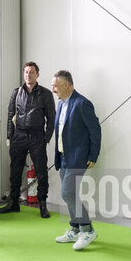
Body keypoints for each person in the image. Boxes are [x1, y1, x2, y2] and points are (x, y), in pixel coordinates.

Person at [0, 62, 56, 218]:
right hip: (19, 136)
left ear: (37, 74)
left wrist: (46, 138)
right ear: (24, 74)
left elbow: (51, 118)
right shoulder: (16, 93)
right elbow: (10, 116)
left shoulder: (45, 94)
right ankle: (13, 202)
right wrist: (9, 136)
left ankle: (42, 203)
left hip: (37, 136)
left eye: (32, 72)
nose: (28, 75)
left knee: (41, 171)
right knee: (15, 170)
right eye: (26, 72)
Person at [51, 70, 101, 250]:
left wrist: (93, 155)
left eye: (55, 85)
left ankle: (87, 230)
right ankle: (75, 228)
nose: (53, 89)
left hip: (78, 157)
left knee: (67, 193)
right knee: (71, 194)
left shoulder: (82, 104)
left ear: (66, 85)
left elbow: (95, 130)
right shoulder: (62, 104)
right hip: (63, 157)